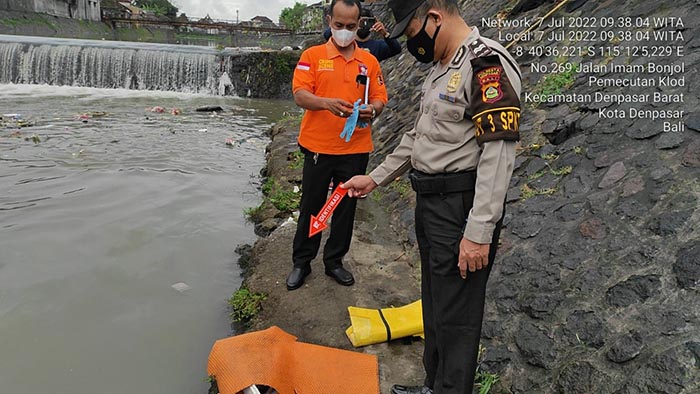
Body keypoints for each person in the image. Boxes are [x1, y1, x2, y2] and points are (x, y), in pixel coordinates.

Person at [342, 0, 522, 393]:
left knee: (457, 317)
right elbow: (418, 138)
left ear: (435, 18)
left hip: (460, 207)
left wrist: (478, 232)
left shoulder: (485, 65)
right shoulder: (442, 67)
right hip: (431, 203)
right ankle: (432, 385)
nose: (413, 43)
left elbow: (498, 153)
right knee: (436, 304)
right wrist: (375, 178)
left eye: (412, 33)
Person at [286, 0, 388, 291]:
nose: (344, 31)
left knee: (344, 208)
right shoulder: (312, 56)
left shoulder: (368, 61)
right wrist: (325, 103)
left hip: (355, 149)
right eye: (339, 25)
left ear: (359, 25)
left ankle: (334, 262)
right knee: (313, 206)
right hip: (318, 147)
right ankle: (302, 262)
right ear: (329, 20)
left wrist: (374, 109)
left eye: (351, 27)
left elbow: (380, 96)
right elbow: (300, 94)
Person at [322, 7, 402, 62]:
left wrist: (385, 33)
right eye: (359, 22)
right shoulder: (345, 43)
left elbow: (396, 49)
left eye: (366, 22)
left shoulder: (378, 46)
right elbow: (327, 34)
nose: (362, 25)